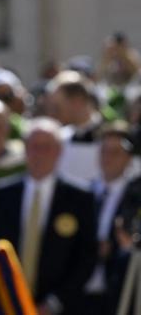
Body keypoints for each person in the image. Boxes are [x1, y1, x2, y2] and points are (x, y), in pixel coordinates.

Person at [0, 117, 98, 314]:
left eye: (47, 147)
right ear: (25, 149)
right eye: (34, 146)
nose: (39, 154)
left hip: (59, 307)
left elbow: (87, 257)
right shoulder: (4, 194)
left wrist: (54, 303)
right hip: (7, 303)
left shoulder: (80, 198)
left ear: (59, 151)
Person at [84, 123, 138, 311]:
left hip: (118, 292)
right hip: (79, 292)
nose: (108, 158)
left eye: (115, 153)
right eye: (104, 151)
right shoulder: (83, 193)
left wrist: (115, 247)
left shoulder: (136, 196)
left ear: (129, 158)